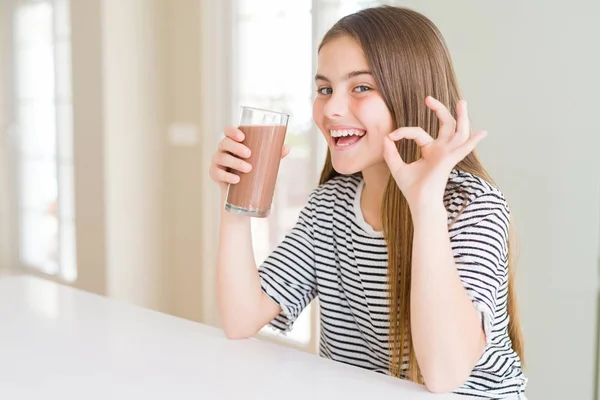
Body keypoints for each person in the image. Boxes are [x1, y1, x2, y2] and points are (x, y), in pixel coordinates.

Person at [209, 5, 527, 399]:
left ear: (411, 95)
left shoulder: (473, 204)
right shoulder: (331, 206)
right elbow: (242, 318)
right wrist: (236, 204)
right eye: (324, 89)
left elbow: (444, 374)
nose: (331, 109)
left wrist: (425, 204)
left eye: (360, 87)